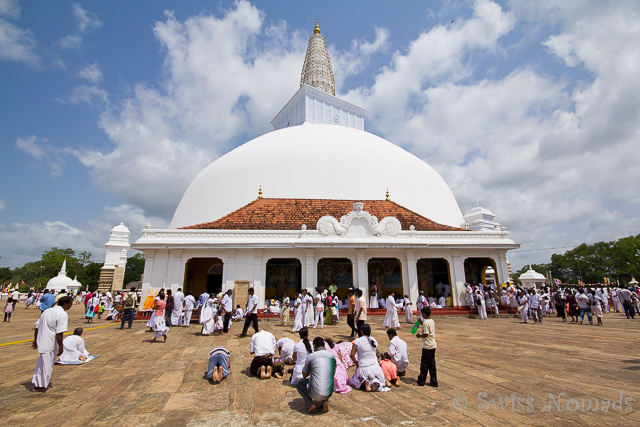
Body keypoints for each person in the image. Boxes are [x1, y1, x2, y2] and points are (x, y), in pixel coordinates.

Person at [31, 296, 73, 392]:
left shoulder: (47, 311)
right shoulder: (62, 314)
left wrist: (35, 340)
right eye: (71, 303)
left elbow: (37, 327)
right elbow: (59, 332)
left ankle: (38, 384)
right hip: (50, 342)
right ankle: (40, 386)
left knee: (41, 363)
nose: (71, 305)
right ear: (65, 304)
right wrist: (61, 346)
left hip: (42, 340)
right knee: (47, 364)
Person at [296, 337, 336, 413]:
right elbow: (332, 374)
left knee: (298, 382)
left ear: (314, 346)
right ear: (324, 345)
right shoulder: (332, 356)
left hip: (315, 392)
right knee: (327, 378)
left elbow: (304, 375)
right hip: (329, 392)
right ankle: (325, 401)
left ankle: (310, 403)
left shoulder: (311, 356)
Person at [349, 324, 386, 392]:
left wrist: (356, 363)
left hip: (363, 366)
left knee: (355, 380)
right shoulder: (373, 340)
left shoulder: (357, 341)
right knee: (375, 377)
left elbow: (352, 355)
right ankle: (374, 382)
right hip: (375, 366)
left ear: (362, 331)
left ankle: (365, 382)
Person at [413, 307, 438, 387]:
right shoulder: (431, 321)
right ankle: (434, 381)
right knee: (432, 364)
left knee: (424, 364)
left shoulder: (426, 323)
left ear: (424, 314)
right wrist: (421, 323)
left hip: (427, 345)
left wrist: (419, 336)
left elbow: (426, 333)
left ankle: (421, 381)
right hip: (433, 344)